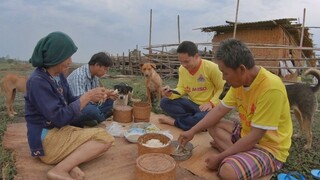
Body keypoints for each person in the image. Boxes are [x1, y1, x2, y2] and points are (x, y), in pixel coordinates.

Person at [178, 39, 293, 180]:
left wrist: (220, 157)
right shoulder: (239, 84)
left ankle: (235, 156)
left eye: (225, 73)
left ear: (242, 69)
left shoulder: (270, 88)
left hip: (269, 148)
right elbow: (219, 110)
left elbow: (256, 136)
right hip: (247, 134)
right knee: (212, 124)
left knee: (228, 171)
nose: (223, 78)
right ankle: (239, 154)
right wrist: (193, 131)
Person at [25, 31, 115, 180]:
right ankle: (59, 170)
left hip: (59, 130)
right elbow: (60, 117)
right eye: (68, 57)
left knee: (90, 130)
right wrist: (87, 96)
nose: (70, 61)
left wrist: (93, 97)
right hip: (46, 139)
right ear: (56, 56)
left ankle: (70, 162)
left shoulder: (58, 76)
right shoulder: (38, 81)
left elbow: (71, 100)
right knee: (104, 138)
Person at [158, 41, 225, 130]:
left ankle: (175, 122)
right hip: (192, 104)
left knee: (202, 117)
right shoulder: (182, 69)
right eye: (181, 62)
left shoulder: (212, 68)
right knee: (164, 102)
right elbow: (182, 88)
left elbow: (223, 89)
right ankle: (196, 122)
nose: (184, 65)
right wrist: (171, 93)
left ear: (196, 56)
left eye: (186, 61)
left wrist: (211, 103)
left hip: (208, 107)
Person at [67, 52, 117, 126]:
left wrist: (107, 95)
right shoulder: (79, 76)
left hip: (90, 104)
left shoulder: (95, 76)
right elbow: (78, 103)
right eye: (105, 69)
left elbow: (96, 97)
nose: (105, 72)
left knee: (110, 101)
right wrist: (97, 98)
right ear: (97, 65)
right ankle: (101, 117)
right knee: (91, 110)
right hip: (74, 108)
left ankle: (94, 117)